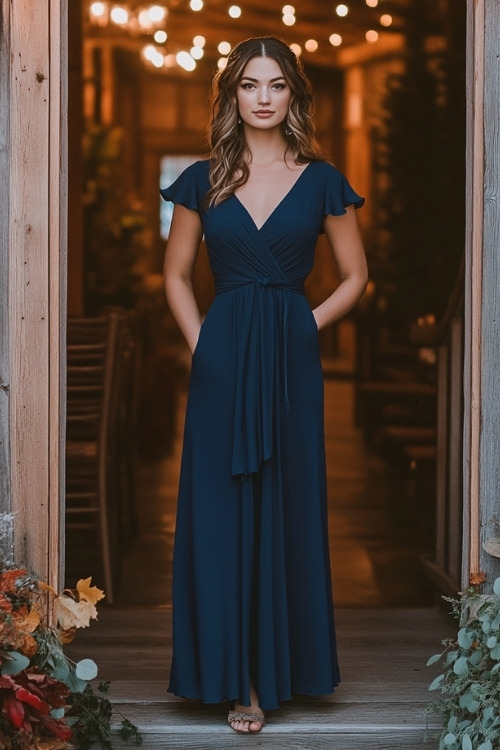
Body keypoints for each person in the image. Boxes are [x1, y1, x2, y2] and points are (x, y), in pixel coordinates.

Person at [161, 36, 368, 734]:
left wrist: (304, 326)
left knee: (286, 502)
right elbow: (174, 275)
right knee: (220, 509)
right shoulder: (203, 179)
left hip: (290, 354)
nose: (262, 97)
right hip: (222, 358)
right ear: (232, 95)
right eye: (249, 85)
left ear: (293, 96)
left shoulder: (323, 179)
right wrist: (203, 345)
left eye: (275, 85)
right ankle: (232, 676)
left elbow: (356, 277)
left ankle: (281, 672)